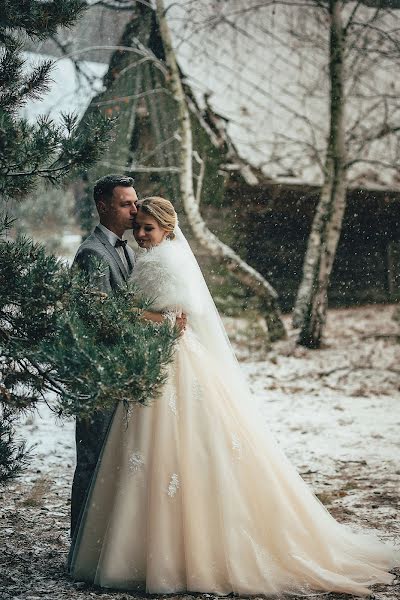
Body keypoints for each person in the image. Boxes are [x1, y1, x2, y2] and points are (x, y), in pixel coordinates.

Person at [69, 196, 399, 597]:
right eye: (138, 226)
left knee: (169, 449)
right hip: (156, 360)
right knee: (160, 454)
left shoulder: (159, 262)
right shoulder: (153, 256)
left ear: (168, 230)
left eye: (148, 228)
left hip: (169, 363)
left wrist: (144, 316)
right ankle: (159, 548)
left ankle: (164, 552)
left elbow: (169, 316)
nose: (140, 234)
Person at [70, 178, 184, 537]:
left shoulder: (132, 251)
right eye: (126, 205)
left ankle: (107, 542)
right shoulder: (92, 253)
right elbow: (101, 317)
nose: (135, 211)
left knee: (117, 460)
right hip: (99, 371)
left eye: (135, 203)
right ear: (103, 206)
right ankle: (82, 542)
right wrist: (161, 320)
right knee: (93, 459)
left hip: (125, 369)